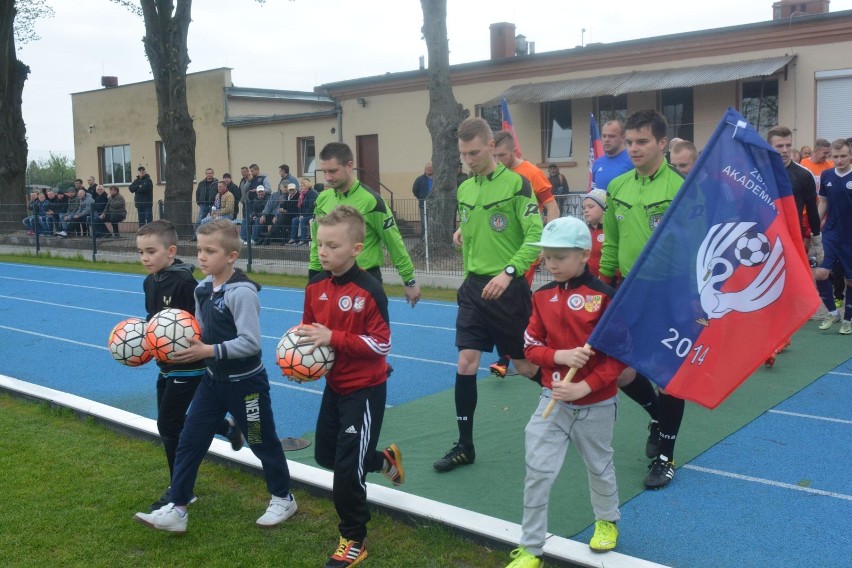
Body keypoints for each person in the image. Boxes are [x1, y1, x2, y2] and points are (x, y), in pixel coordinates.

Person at [133, 219, 296, 533]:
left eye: (210, 251)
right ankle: (178, 508)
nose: (202, 257)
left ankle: (283, 497)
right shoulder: (202, 288)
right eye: (199, 249)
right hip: (212, 382)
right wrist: (165, 339)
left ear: (231, 257)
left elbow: (250, 343)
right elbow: (199, 330)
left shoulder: (242, 293)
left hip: (246, 383)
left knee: (262, 442)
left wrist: (207, 351)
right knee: (189, 441)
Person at [506, 217, 625, 568]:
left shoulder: (605, 297)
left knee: (599, 465)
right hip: (552, 400)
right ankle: (531, 548)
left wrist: (585, 385)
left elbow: (618, 358)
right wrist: (561, 356)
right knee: (537, 471)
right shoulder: (542, 296)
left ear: (584, 254)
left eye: (560, 257)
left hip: (597, 403)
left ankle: (606, 519)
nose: (552, 264)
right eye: (547, 257)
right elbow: (530, 347)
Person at [434, 117, 543, 473]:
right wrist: (463, 232)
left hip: (508, 292)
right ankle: (465, 445)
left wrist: (509, 273)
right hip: (473, 289)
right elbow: (475, 224)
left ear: (491, 148)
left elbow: (534, 237)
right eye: (464, 154)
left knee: (526, 366)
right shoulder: (465, 189)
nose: (469, 160)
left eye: (475, 152)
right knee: (466, 362)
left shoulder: (517, 184)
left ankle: (575, 404)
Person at [299, 205, 403, 567]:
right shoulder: (314, 286)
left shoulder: (370, 289)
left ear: (356, 249)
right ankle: (382, 459)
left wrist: (335, 337)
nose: (323, 252)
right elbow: (308, 334)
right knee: (326, 456)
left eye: (332, 246)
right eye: (320, 245)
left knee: (346, 472)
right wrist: (298, 363)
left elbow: (382, 344)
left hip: (365, 389)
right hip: (334, 386)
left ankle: (353, 537)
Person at [131, 219, 244, 512]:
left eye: (151, 251)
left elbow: (202, 319)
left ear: (171, 251)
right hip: (165, 364)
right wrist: (143, 341)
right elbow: (153, 319)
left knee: (168, 424)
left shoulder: (184, 281)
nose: (145, 258)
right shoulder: (149, 281)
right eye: (141, 252)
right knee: (174, 422)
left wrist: (199, 346)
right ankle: (227, 427)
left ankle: (180, 490)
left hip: (189, 365)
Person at [599, 109, 684, 489]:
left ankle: (666, 457)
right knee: (619, 371)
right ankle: (656, 415)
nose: (634, 148)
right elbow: (612, 243)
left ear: (662, 143)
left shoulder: (682, 188)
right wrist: (601, 286)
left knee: (668, 378)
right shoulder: (617, 187)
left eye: (642, 142)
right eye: (630, 142)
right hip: (626, 291)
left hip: (670, 293)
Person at [310, 142, 421, 307]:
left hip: (365, 281)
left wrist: (409, 279)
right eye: (324, 172)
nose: (327, 177)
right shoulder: (322, 199)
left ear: (349, 166)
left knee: (368, 334)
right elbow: (316, 243)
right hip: (330, 281)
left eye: (333, 171)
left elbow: (393, 241)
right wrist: (313, 278)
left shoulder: (371, 201)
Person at [489, 129, 560, 378]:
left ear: (514, 152)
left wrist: (545, 242)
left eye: (502, 155)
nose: (498, 161)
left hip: (524, 250)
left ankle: (505, 359)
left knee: (508, 298)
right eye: (494, 156)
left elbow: (551, 206)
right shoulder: (493, 175)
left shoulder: (530, 173)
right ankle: (540, 343)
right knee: (520, 303)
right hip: (500, 248)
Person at [814, 138, 852, 335]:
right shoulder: (827, 175)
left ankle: (848, 319)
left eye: (843, 156)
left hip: (850, 237)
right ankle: (832, 312)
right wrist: (815, 226)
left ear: (850, 156)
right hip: (830, 233)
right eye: (835, 156)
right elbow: (824, 202)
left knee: (849, 281)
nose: (839, 160)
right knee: (820, 273)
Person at [591, 120, 633, 191]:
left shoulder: (633, 160)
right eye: (604, 136)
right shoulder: (597, 163)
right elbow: (594, 191)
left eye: (611, 136)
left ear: (623, 138)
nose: (606, 140)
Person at [582, 189, 608, 278]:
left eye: (590, 206)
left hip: (610, 283)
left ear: (604, 208)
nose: (586, 210)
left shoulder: (611, 231)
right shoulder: (583, 231)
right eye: (584, 208)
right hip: (588, 283)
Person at [289, 178, 318, 246]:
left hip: (312, 214)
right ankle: (293, 238)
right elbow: (300, 206)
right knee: (295, 220)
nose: (300, 187)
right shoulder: (302, 194)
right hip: (305, 214)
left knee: (303, 220)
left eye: (301, 186)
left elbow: (311, 207)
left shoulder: (312, 193)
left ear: (306, 186)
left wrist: (303, 215)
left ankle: (303, 240)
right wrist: (300, 214)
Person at [193, 168, 219, 234]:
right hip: (203, 205)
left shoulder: (217, 183)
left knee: (214, 221)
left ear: (213, 174)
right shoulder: (201, 183)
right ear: (206, 174)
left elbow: (219, 193)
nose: (209, 174)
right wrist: (198, 202)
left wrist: (216, 203)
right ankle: (196, 236)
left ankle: (214, 235)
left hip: (213, 205)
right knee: (199, 221)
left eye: (210, 173)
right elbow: (197, 193)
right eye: (207, 173)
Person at [412, 162, 433, 238]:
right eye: (428, 168)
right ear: (425, 170)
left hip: (436, 205)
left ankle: (434, 238)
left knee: (435, 222)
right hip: (423, 204)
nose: (429, 169)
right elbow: (414, 190)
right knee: (425, 223)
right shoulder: (419, 179)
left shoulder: (437, 179)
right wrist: (421, 198)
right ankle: (424, 239)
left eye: (431, 168)